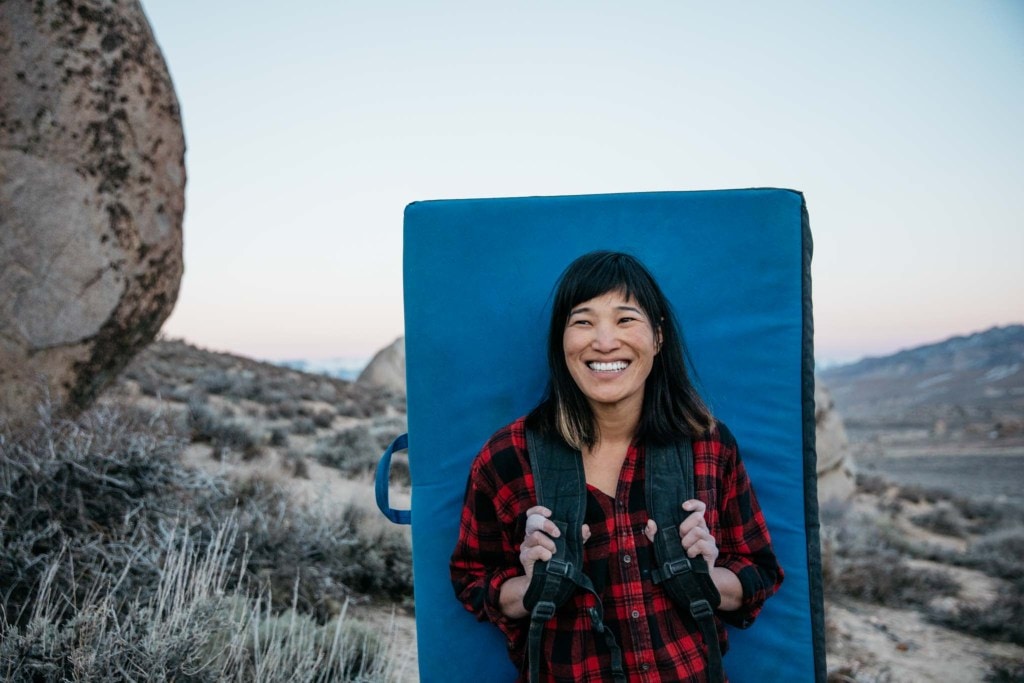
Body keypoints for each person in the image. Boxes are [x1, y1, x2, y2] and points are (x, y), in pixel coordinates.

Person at [450, 251, 783, 682]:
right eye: (583, 321)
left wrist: (709, 574)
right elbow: (472, 581)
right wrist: (530, 587)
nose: (604, 342)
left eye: (626, 319)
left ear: (658, 337)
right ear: (561, 342)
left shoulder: (707, 444)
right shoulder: (507, 456)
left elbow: (759, 572)